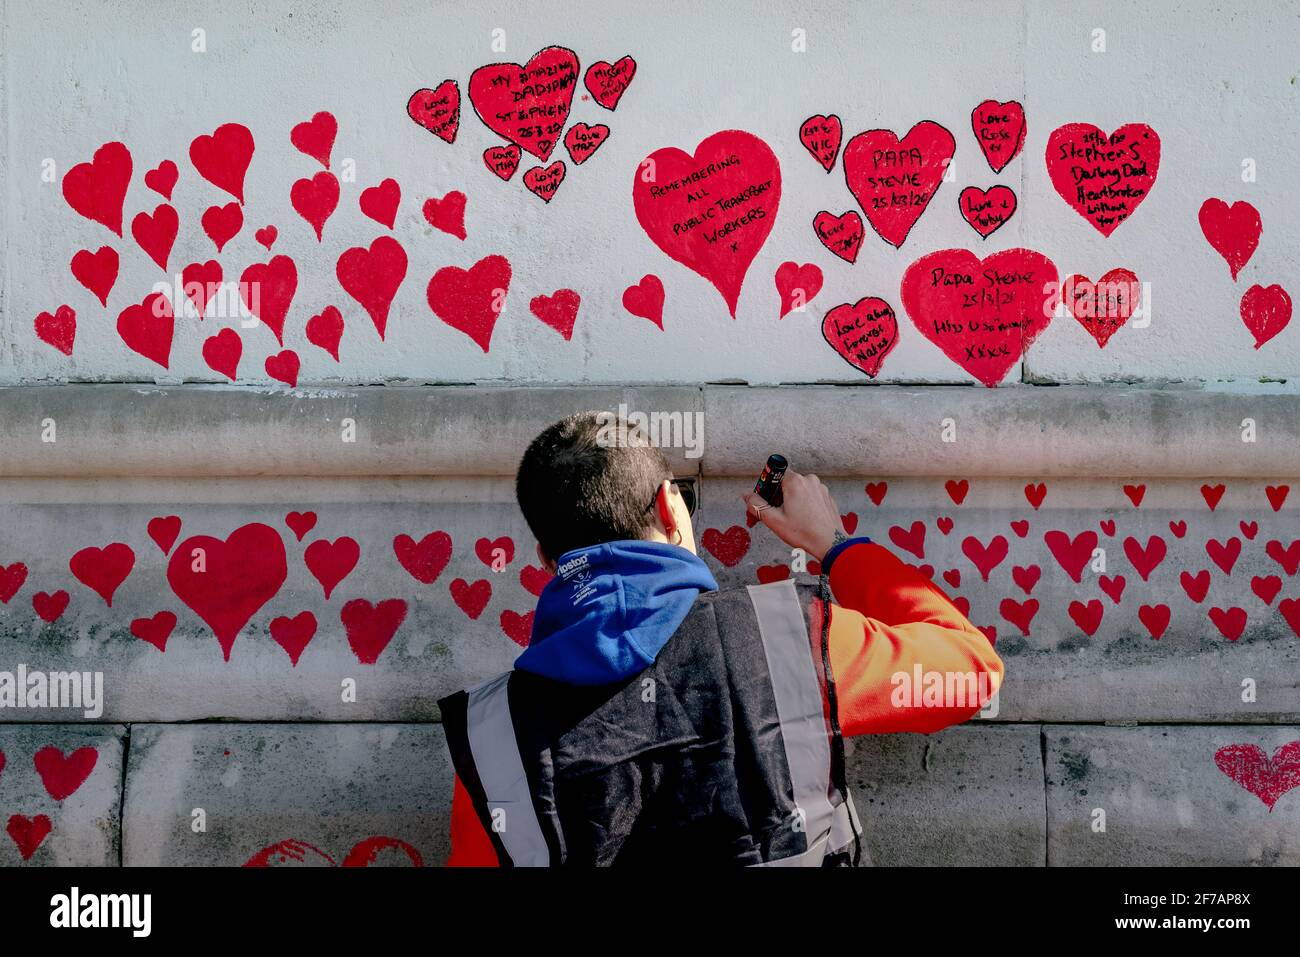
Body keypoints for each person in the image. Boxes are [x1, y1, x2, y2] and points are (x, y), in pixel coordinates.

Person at [439, 412, 1003, 866]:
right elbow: (972, 671)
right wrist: (836, 546)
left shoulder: (491, 737)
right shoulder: (791, 637)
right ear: (670, 506)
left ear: (546, 559)